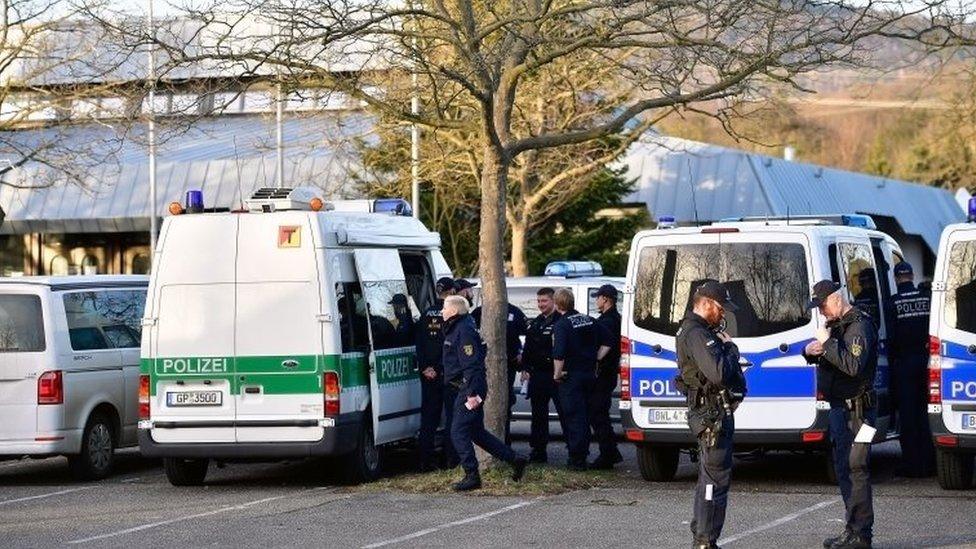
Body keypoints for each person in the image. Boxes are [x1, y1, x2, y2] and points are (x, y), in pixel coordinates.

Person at [803, 280, 877, 549]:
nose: (821, 312)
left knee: (858, 468)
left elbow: (853, 365)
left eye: (822, 305)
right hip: (839, 409)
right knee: (844, 469)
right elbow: (833, 360)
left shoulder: (859, 325)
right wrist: (811, 352)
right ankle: (852, 528)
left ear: (836, 299)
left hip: (859, 412)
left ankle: (862, 535)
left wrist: (827, 343)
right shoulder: (838, 326)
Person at [675, 280, 745, 549]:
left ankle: (702, 536)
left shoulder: (697, 330)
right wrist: (731, 349)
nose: (723, 314)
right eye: (720, 307)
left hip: (710, 413)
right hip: (711, 416)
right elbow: (717, 372)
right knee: (715, 480)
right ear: (705, 304)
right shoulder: (697, 333)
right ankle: (705, 540)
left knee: (709, 478)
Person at [441, 295, 528, 491]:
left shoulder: (463, 331)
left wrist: (471, 393)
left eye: (445, 308)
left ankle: (472, 475)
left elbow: (472, 365)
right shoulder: (460, 326)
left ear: (454, 311)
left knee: (458, 431)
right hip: (466, 386)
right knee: (476, 433)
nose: (442, 311)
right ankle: (515, 459)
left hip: (469, 388)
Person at [552, 288, 612, 471]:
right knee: (586, 415)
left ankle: (577, 459)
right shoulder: (589, 320)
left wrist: (557, 374)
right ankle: (583, 454)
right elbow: (609, 340)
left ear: (557, 304)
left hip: (572, 377)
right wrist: (596, 358)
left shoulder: (562, 325)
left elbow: (559, 353)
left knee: (574, 417)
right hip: (589, 375)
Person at [889, 262, 935, 477]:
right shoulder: (926, 299)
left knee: (907, 416)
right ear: (912, 275)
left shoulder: (893, 303)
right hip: (926, 361)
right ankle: (930, 462)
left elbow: (890, 338)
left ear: (897, 278)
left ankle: (912, 464)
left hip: (904, 364)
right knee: (925, 413)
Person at [415, 277, 458, 471]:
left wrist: (425, 367)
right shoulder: (451, 314)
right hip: (447, 374)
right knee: (451, 417)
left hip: (428, 374)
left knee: (429, 419)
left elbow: (419, 343)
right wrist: (441, 368)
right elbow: (450, 345)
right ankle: (450, 460)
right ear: (451, 292)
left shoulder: (425, 314)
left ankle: (425, 461)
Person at [472, 296, 528, 444]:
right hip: (482, 368)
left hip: (507, 367)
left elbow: (526, 337)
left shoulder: (514, 312)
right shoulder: (478, 313)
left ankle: (505, 440)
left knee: (505, 403)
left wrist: (522, 357)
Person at [521, 287, 564, 463]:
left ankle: (575, 452)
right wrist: (525, 368)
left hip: (556, 375)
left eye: (544, 301)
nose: (540, 305)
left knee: (565, 413)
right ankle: (538, 451)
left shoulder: (561, 321)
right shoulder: (536, 323)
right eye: (538, 301)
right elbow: (528, 349)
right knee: (538, 416)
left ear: (554, 301)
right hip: (538, 375)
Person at [589, 284, 623, 470]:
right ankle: (610, 451)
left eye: (598, 297)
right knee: (600, 413)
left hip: (603, 373)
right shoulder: (613, 318)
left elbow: (608, 343)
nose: (597, 301)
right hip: (607, 373)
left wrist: (596, 358)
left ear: (606, 299)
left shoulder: (607, 321)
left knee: (598, 413)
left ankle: (607, 454)